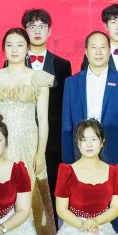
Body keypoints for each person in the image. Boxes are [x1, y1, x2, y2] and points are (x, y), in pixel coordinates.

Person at [0, 26, 56, 235]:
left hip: (27, 144)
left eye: (19, 45)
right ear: (3, 48)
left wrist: (40, 152)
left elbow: (43, 120)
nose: (14, 50)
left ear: (27, 49)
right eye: (9, 45)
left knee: (30, 198)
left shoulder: (38, 78)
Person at [62, 31, 118, 235]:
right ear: (86, 52)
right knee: (80, 206)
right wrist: (67, 161)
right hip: (79, 157)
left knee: (113, 212)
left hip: (113, 155)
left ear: (109, 51)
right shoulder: (72, 83)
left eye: (103, 47)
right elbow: (67, 124)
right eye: (93, 47)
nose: (98, 52)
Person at [20, 9, 74, 168]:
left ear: (49, 31)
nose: (37, 31)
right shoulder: (13, 63)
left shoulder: (62, 65)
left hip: (53, 138)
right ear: (25, 31)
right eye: (32, 26)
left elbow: (65, 105)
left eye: (42, 26)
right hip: (21, 134)